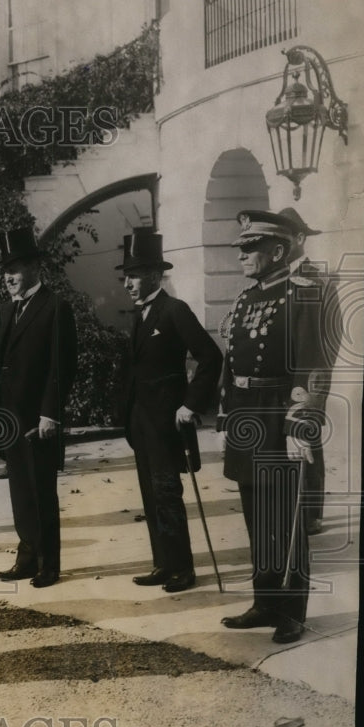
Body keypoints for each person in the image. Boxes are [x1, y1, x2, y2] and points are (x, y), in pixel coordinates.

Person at [217, 209, 327, 644]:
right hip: (247, 415)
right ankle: (265, 602)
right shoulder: (246, 298)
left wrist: (301, 424)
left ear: (278, 251)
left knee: (284, 518)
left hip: (279, 414)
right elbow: (232, 363)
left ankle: (292, 611)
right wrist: (226, 412)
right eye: (241, 248)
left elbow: (313, 366)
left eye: (251, 248)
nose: (241, 256)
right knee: (255, 516)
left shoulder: (303, 295)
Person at [0, 227, 77, 587]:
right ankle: (26, 558)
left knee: (42, 492)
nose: (8, 278)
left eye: (14, 270)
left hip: (38, 419)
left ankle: (48, 565)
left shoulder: (55, 307)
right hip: (9, 416)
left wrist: (50, 414)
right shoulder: (4, 311)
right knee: (21, 493)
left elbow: (62, 367)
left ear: (34, 268)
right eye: (5, 272)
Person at [118, 230, 222, 593]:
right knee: (151, 495)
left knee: (166, 493)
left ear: (153, 275)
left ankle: (183, 569)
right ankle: (163, 562)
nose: (127, 283)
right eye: (125, 276)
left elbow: (210, 356)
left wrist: (191, 404)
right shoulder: (139, 315)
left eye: (133, 276)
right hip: (141, 422)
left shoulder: (175, 310)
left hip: (165, 423)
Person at [278, 207, 342, 535]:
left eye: (284, 238)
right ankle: (292, 510)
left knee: (307, 436)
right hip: (281, 376)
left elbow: (332, 334)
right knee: (288, 439)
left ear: (300, 238)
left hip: (310, 372)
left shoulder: (316, 280)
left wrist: (316, 380)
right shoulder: (275, 279)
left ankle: (311, 515)